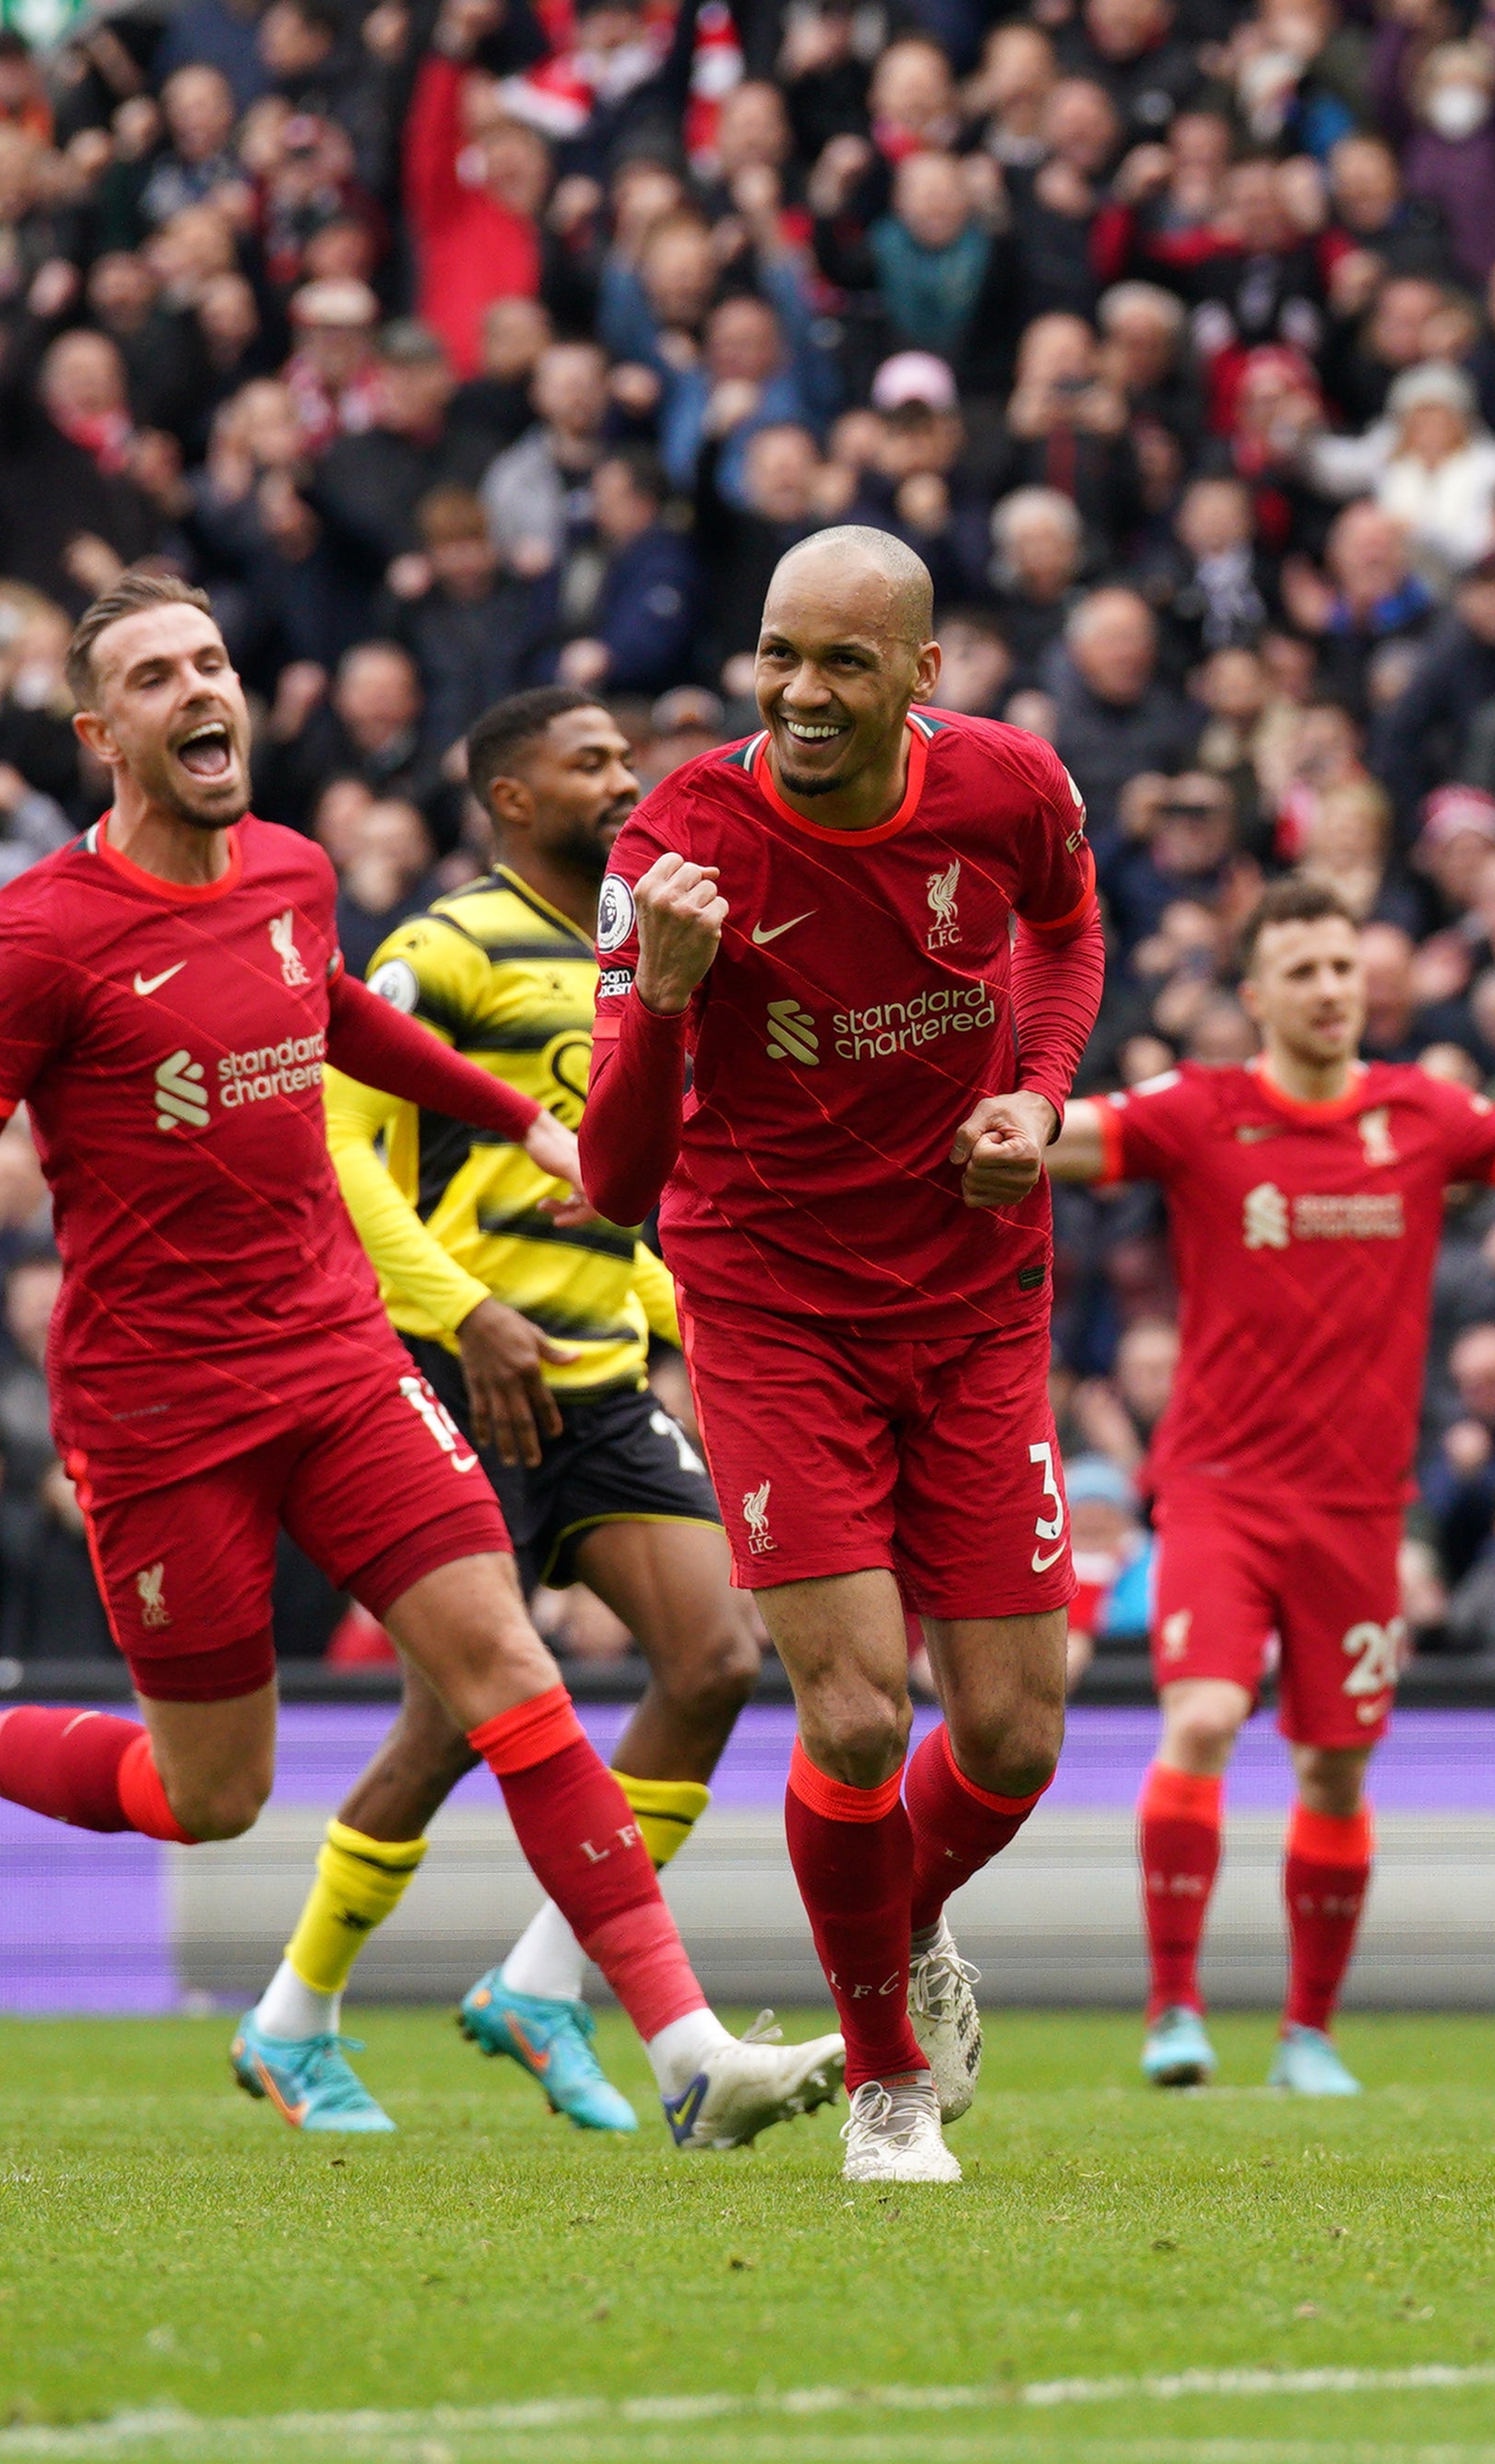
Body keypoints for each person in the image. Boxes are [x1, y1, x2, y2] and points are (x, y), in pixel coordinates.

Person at [0, 571, 841, 2151]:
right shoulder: (33, 938)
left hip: (339, 1362)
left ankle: (687, 2047)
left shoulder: (295, 873)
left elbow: (336, 1016)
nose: (198, 689)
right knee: (209, 1792)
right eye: (157, 676)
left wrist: (519, 1115)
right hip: (159, 1410)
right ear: (104, 732)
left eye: (213, 659)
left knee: (509, 1669)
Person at [577, 526, 1112, 2186]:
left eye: (843, 662)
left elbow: (1066, 932)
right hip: (774, 1303)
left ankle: (901, 1919)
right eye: (777, 655)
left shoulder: (1011, 786)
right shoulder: (678, 842)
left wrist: (1037, 1086)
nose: (802, 693)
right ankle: (884, 2075)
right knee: (864, 1713)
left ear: (922, 676)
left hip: (972, 1295)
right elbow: (611, 1180)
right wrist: (664, 1002)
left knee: (1018, 1732)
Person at [1045, 875, 1495, 2095]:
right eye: (1300, 970)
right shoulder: (1200, 1111)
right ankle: (1173, 2007)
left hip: (1359, 1504)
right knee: (1201, 1718)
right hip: (1217, 1487)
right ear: (1255, 995)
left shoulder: (1423, 1114)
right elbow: (1046, 1134)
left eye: (1342, 968)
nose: (1326, 989)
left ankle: (1308, 2030)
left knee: (1336, 1767)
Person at [246, 685, 758, 2135]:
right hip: (450, 1368)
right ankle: (295, 2014)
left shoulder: (642, 963)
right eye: (587, 761)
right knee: (457, 1715)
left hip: (590, 1369)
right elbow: (337, 1152)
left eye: (627, 756)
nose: (623, 778)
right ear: (511, 798)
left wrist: (696, 1325)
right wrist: (465, 1310)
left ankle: (543, 1983)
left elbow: (625, 1197)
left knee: (716, 1657)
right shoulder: (441, 949)